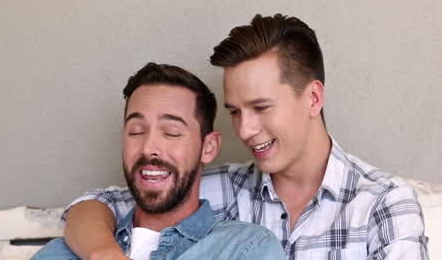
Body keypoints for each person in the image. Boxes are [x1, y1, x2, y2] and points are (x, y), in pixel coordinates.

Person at [61, 14, 428, 259]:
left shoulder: (383, 203)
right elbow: (99, 203)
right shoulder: (226, 189)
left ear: (313, 98)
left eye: (261, 107)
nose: (245, 130)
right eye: (235, 111)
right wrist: (103, 253)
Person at [31, 63, 285, 260]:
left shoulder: (244, 248)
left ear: (208, 147)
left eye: (171, 133)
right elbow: (94, 203)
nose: (149, 147)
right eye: (136, 131)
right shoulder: (64, 253)